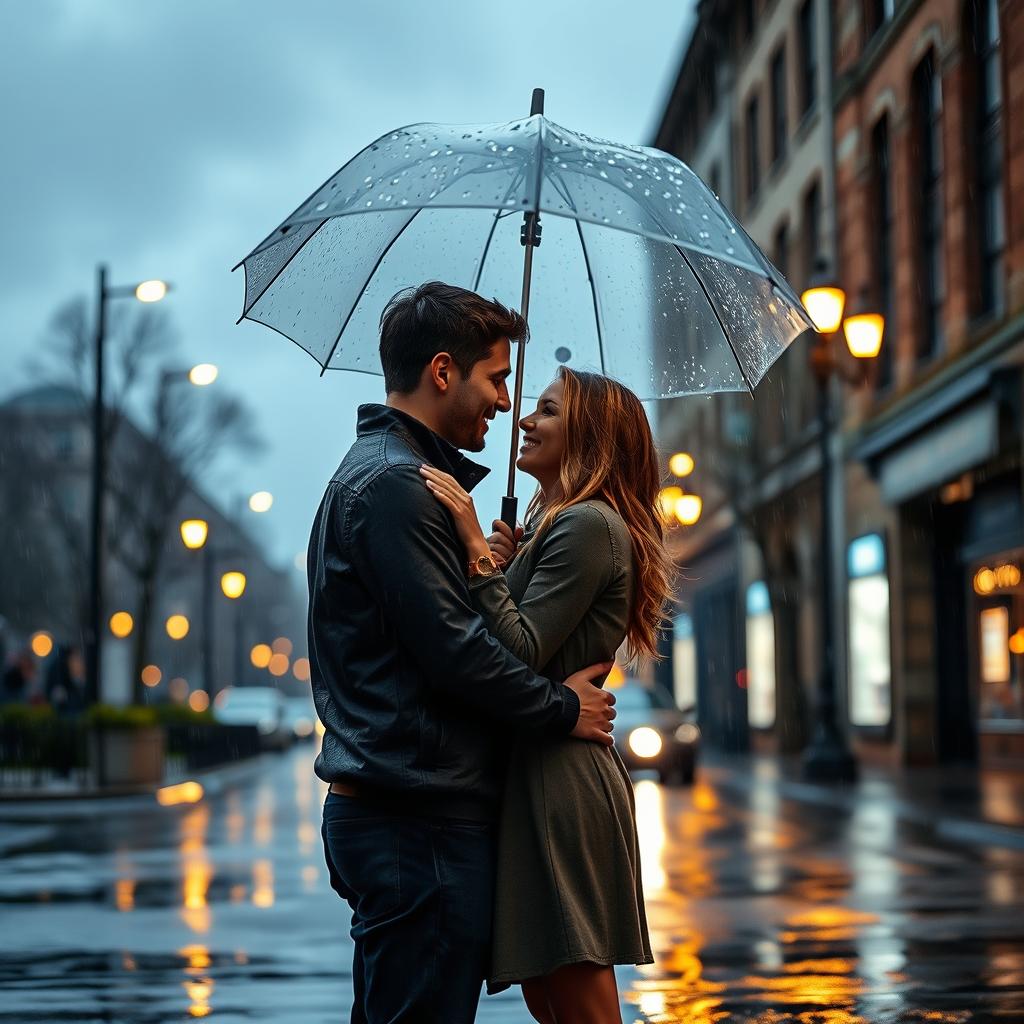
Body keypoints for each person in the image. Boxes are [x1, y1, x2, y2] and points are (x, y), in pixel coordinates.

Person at [310, 281, 617, 1024]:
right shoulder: (398, 487)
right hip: (418, 821)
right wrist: (560, 709)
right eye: (498, 378)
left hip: (405, 814)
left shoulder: (391, 477)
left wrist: (489, 563)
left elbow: (431, 635)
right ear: (443, 372)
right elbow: (457, 653)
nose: (506, 403)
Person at [421, 365, 672, 1024]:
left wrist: (477, 552)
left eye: (548, 411)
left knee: (578, 992)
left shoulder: (588, 525)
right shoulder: (562, 525)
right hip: (537, 771)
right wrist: (504, 567)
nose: (525, 421)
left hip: (560, 781)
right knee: (547, 992)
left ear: (590, 435)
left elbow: (522, 649)